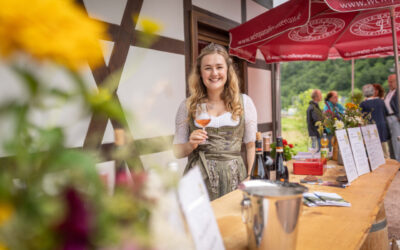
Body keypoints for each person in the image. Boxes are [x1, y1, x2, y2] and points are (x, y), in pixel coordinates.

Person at [173, 43, 257, 200]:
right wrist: (190, 145)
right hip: (198, 182)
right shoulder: (187, 106)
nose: (214, 73)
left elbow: (251, 146)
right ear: (200, 72)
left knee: (234, 222)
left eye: (219, 67)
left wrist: (250, 177)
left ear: (227, 70)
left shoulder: (245, 103)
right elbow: (177, 152)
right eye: (208, 68)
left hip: (236, 179)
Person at [360, 84, 390, 158]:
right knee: (384, 150)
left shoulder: (363, 104)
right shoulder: (381, 101)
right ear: (373, 92)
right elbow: (386, 112)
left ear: (364, 93)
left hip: (370, 128)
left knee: (373, 151)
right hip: (382, 126)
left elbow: (361, 117)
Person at [384, 74, 400, 162]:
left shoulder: (398, 91)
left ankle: (398, 162)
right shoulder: (389, 92)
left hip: (395, 118)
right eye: (389, 81)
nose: (389, 83)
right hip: (388, 118)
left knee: (397, 141)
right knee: (390, 142)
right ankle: (394, 161)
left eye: (391, 81)